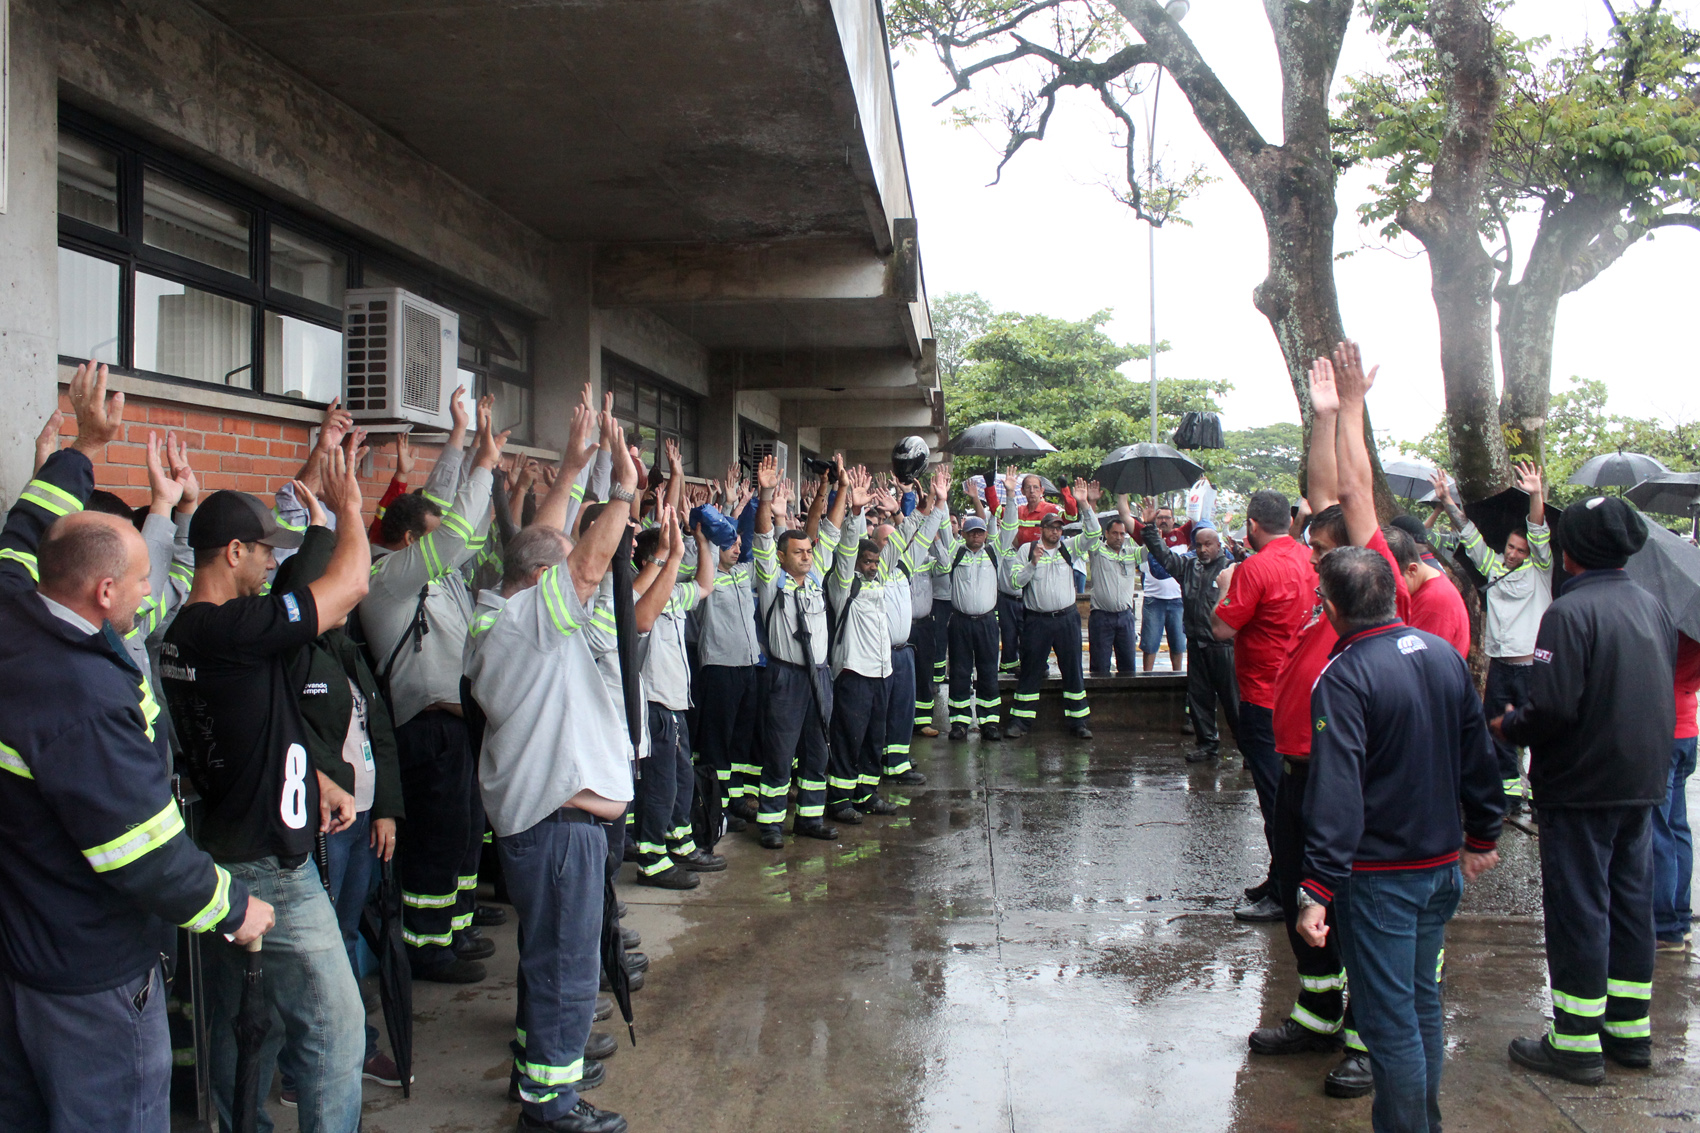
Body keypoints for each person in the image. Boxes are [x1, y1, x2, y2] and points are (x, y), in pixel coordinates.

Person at [0, 363, 273, 1133]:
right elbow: (142, 850)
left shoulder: (15, 607)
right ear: (104, 595)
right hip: (89, 975)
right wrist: (233, 908)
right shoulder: (83, 701)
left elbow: (26, 529)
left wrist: (82, 449)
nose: (157, 593)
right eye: (146, 579)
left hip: (26, 950)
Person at [161, 436, 372, 1133]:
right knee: (338, 1032)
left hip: (218, 854)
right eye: (263, 550)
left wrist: (315, 777)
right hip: (270, 868)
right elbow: (350, 587)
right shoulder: (233, 627)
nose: (271, 561)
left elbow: (247, 729)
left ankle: (238, 1123)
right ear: (232, 553)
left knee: (240, 1025)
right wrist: (349, 511)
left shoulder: (178, 636)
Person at [464, 412, 635, 1133]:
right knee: (566, 970)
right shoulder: (525, 624)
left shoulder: (502, 613)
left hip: (555, 826)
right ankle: (552, 1105)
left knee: (549, 962)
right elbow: (585, 563)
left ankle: (540, 1075)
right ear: (542, 581)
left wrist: (569, 472)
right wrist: (623, 491)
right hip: (558, 830)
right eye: (561, 574)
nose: (583, 586)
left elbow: (544, 547)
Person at [1248, 345, 1412, 1100]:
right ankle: (1316, 1015)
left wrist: (1351, 412)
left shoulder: (1371, 578)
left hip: (1342, 776)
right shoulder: (1327, 581)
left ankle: (1362, 1037)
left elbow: (1352, 488)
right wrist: (1319, 418)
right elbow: (1322, 489)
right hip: (1297, 772)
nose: (1313, 559)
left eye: (1324, 549)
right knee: (1297, 894)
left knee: (1343, 908)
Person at [1297, 546, 1503, 1133]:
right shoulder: (1442, 655)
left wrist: (1315, 886)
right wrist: (1483, 834)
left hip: (1383, 880)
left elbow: (1337, 792)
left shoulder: (1344, 676)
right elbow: (1479, 758)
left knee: (1392, 1026)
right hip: (1439, 871)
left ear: (1332, 609)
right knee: (1420, 1009)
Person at [1495, 496, 1674, 1086]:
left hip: (1581, 788)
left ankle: (1574, 1042)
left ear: (1570, 552)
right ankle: (1629, 1030)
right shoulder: (1651, 606)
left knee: (1579, 909)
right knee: (1629, 905)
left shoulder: (1569, 614)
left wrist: (1506, 725)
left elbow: (1549, 709)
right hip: (1639, 786)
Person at [362, 394, 507, 982]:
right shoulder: (386, 577)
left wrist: (459, 437)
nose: (446, 546)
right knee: (436, 839)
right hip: (425, 729)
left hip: (456, 725)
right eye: (428, 539)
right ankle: (426, 947)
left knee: (464, 831)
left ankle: (455, 924)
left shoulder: (432, 575)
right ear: (404, 542)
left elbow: (441, 511)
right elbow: (448, 534)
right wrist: (485, 465)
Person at [271, 481, 410, 1091]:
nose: (354, 589)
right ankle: (321, 1058)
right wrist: (333, 518)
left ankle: (346, 1048)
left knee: (348, 934)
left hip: (364, 820)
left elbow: (377, 730)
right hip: (325, 827)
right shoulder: (294, 653)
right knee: (322, 947)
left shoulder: (347, 650)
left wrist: (388, 812)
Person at [1211, 487, 1313, 921]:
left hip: (1263, 696)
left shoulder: (1254, 569)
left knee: (1275, 800)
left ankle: (1287, 892)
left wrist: (1224, 586)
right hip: (1302, 693)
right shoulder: (1310, 558)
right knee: (1290, 794)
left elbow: (1220, 628)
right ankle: (1280, 876)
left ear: (1252, 526)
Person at [1432, 462, 1552, 810]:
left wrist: (1535, 493)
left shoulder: (1540, 569)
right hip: (1500, 664)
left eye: (1521, 549)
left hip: (1531, 666)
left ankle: (1541, 794)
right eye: (1512, 547)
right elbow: (1469, 535)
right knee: (1499, 729)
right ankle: (1509, 795)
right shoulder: (1495, 565)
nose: (1514, 553)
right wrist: (1448, 501)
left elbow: (1538, 531)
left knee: (1537, 731)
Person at [751, 454, 839, 848]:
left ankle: (810, 818)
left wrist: (833, 490)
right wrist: (766, 496)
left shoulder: (816, 579)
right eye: (798, 552)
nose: (806, 555)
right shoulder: (773, 582)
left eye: (808, 551)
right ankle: (770, 824)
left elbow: (830, 530)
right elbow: (763, 539)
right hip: (786, 677)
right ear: (783, 558)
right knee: (781, 752)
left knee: (817, 749)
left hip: (819, 674)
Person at [629, 499, 718, 888]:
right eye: (669, 558)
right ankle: (651, 858)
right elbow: (639, 617)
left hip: (676, 704)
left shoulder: (673, 595)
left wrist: (700, 540)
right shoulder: (632, 596)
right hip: (652, 704)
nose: (676, 567)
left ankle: (680, 842)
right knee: (658, 785)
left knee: (680, 779)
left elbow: (704, 586)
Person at [1138, 500, 1237, 761]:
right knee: (1199, 699)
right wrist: (1148, 527)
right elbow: (1163, 555)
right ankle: (1207, 745)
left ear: (1219, 546)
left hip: (1224, 649)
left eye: (1209, 544)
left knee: (1234, 702)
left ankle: (1248, 751)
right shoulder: (1189, 567)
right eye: (1199, 545)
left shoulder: (1231, 570)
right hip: (1196, 644)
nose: (1203, 549)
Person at [1003, 470, 1098, 740]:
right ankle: (1021, 722)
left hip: (1067, 619)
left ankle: (1079, 722)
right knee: (1031, 670)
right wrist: (1033, 563)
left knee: (1073, 670)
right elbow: (1014, 582)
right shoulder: (1026, 550)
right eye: (1051, 528)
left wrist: (1083, 504)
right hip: (1037, 621)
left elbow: (1093, 533)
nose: (1055, 531)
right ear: (1042, 529)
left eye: (1058, 528)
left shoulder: (1070, 547)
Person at [936, 505, 1017, 741]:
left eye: (980, 532)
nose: (976, 536)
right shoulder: (956, 553)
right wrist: (941, 501)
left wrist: (1010, 496)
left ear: (985, 534)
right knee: (960, 671)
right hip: (960, 622)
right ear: (963, 534)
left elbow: (1010, 528)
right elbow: (943, 527)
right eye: (972, 532)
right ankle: (959, 722)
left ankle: (989, 722)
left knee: (988, 671)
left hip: (987, 622)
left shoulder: (994, 552)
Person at [1654, 632, 1700, 951]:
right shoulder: (1695, 623)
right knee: (1677, 826)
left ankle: (1665, 925)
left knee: (1657, 829)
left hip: (1661, 726)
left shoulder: (1670, 628)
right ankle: (1680, 918)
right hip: (1687, 727)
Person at [1382, 523, 1470, 657]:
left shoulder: (1434, 601)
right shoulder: (1423, 582)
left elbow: (1416, 661)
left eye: (1391, 583)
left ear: (1412, 570)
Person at [1085, 491, 1143, 677]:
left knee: (1128, 668)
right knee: (1100, 669)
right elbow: (1089, 531)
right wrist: (1091, 503)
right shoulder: (1097, 550)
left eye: (1122, 534)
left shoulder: (1132, 552)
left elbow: (1152, 547)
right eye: (1115, 533)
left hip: (1125, 617)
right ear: (1106, 534)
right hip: (1101, 618)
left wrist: (1147, 524)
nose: (1119, 537)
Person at [1134, 502, 1194, 674]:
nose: (1163, 521)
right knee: (1150, 644)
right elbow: (1124, 515)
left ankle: (1177, 677)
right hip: (1154, 600)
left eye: (1167, 517)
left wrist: (1203, 490)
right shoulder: (1148, 537)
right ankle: (1147, 678)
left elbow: (1199, 517)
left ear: (1173, 520)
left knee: (1178, 645)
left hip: (1178, 600)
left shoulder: (1182, 535)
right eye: (1160, 517)